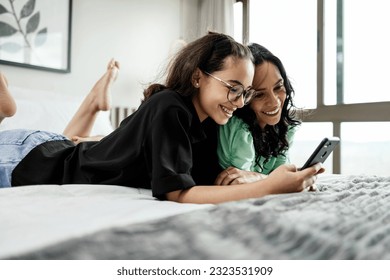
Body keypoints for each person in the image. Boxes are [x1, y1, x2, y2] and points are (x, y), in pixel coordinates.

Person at [0, 32, 322, 204]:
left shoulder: (210, 121)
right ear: (198, 78)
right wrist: (270, 188)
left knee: (81, 142)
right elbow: (178, 193)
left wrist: (263, 178)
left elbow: (210, 180)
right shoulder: (170, 107)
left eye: (245, 93)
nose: (239, 102)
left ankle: (92, 104)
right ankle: (5, 111)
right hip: (28, 158)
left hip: (56, 146)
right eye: (233, 89)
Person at [216, 43, 301, 185]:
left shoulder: (282, 129)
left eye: (279, 87)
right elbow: (240, 185)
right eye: (260, 95)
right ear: (245, 98)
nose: (274, 102)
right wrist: (271, 179)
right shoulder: (238, 129)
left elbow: (280, 173)